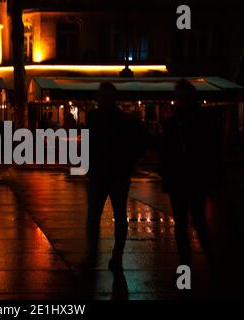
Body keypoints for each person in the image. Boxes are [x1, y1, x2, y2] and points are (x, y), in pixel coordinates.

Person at [159, 79, 223, 267]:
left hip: (186, 178)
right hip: (190, 178)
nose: (180, 101)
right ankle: (208, 261)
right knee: (194, 221)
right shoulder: (200, 120)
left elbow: (167, 150)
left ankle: (186, 268)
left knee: (187, 223)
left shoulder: (174, 122)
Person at [86, 82, 149, 271]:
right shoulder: (112, 119)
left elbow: (143, 141)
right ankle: (105, 255)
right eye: (101, 97)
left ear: (113, 98)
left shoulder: (104, 119)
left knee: (107, 216)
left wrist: (128, 159)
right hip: (106, 174)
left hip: (112, 174)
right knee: (104, 216)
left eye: (105, 97)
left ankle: (106, 255)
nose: (102, 100)